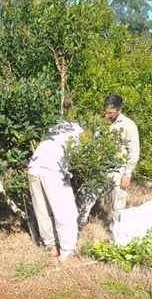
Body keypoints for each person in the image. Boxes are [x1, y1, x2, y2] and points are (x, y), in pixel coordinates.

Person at [77, 94, 140, 226]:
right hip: (98, 167)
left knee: (117, 204)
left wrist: (127, 174)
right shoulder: (100, 123)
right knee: (86, 198)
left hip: (118, 170)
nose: (107, 115)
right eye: (106, 111)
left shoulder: (128, 125)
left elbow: (134, 151)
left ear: (119, 110)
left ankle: (117, 232)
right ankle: (78, 226)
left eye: (111, 113)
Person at [28, 121, 84, 263]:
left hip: (33, 168)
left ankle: (50, 246)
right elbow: (78, 158)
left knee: (42, 209)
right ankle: (67, 252)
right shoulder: (78, 132)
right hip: (52, 170)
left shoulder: (56, 126)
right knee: (65, 211)